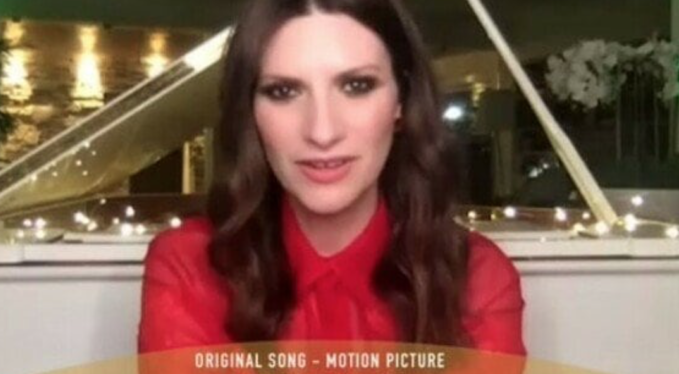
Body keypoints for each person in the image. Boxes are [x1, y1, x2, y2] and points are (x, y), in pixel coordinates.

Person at [138, 0, 525, 355]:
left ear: (402, 101)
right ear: (250, 111)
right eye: (283, 91)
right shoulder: (189, 268)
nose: (322, 132)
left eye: (357, 86)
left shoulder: (478, 280)